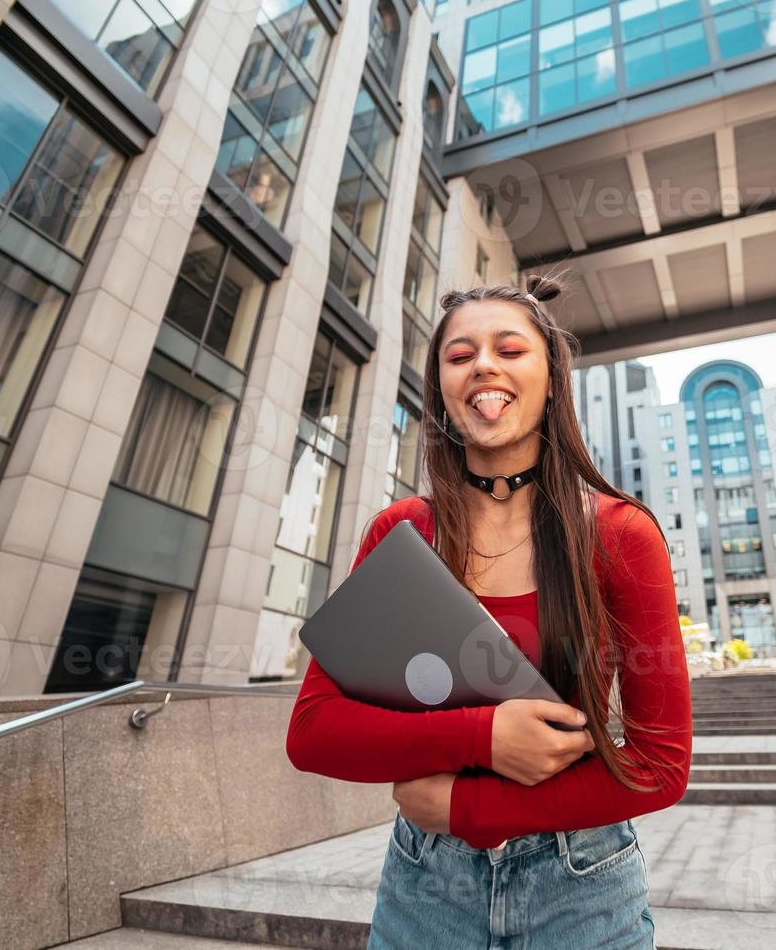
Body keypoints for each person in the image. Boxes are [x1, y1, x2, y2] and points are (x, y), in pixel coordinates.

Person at [285, 273, 692, 949]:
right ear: (441, 389)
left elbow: (659, 765)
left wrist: (469, 804)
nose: (483, 366)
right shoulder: (402, 532)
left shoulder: (620, 533)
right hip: (424, 883)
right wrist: (481, 736)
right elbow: (315, 730)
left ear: (552, 379)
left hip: (580, 881)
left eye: (509, 349)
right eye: (459, 355)